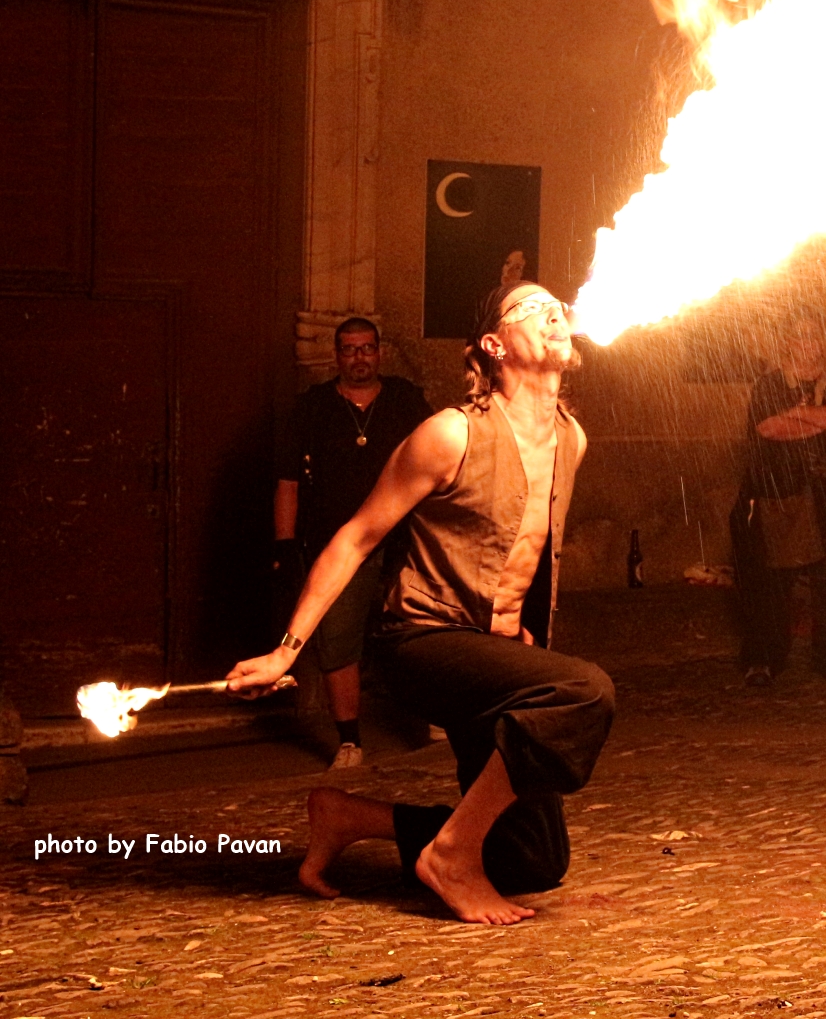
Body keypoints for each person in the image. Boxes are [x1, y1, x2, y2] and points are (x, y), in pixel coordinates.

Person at [228, 282, 614, 925]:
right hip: (422, 640)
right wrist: (283, 652)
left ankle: (348, 816)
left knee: (534, 862)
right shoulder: (450, 434)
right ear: (494, 345)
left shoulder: (570, 439)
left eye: (556, 306)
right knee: (584, 691)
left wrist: (522, 650)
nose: (554, 314)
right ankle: (450, 856)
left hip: (497, 659)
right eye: (531, 308)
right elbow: (355, 538)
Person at [275, 317, 433, 768]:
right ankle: (349, 741)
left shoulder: (405, 400)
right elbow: (287, 480)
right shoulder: (313, 408)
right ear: (337, 355)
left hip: (405, 538)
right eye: (349, 349)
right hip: (338, 543)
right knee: (337, 638)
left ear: (379, 352)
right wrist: (284, 545)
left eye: (367, 348)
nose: (359, 356)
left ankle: (438, 717)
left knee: (423, 629)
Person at [738, 313, 826, 687]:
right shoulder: (768, 386)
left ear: (824, 342)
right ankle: (764, 659)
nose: (807, 344)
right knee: (772, 582)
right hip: (781, 494)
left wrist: (798, 414)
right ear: (788, 343)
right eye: (799, 337)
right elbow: (770, 428)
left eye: (813, 336)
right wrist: (820, 418)